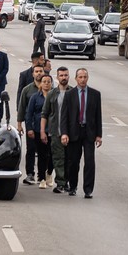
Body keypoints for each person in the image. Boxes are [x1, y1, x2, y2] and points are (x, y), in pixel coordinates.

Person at [59, 68, 102, 198]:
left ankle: (88, 189)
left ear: (87, 78)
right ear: (76, 79)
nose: (83, 80)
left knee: (89, 162)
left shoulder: (95, 94)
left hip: (89, 132)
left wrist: (99, 135)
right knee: (73, 162)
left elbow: (98, 116)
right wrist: (64, 133)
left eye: (85, 77)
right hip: (74, 132)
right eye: (80, 77)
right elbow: (64, 116)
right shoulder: (69, 94)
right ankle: (72, 186)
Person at [40, 66, 71, 193]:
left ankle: (68, 181)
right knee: (58, 158)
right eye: (61, 75)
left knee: (70, 159)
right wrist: (43, 131)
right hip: (54, 132)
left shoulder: (73, 93)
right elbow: (45, 113)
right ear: (57, 78)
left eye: (66, 75)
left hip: (71, 133)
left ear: (69, 77)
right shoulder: (52, 94)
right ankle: (60, 183)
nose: (63, 78)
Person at [25, 74, 53, 190]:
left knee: (52, 155)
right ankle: (41, 178)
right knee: (42, 154)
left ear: (51, 83)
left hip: (53, 130)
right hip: (38, 129)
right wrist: (29, 128)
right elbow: (29, 114)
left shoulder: (54, 97)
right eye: (44, 81)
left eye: (48, 81)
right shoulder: (35, 97)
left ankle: (49, 173)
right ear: (40, 84)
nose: (46, 83)